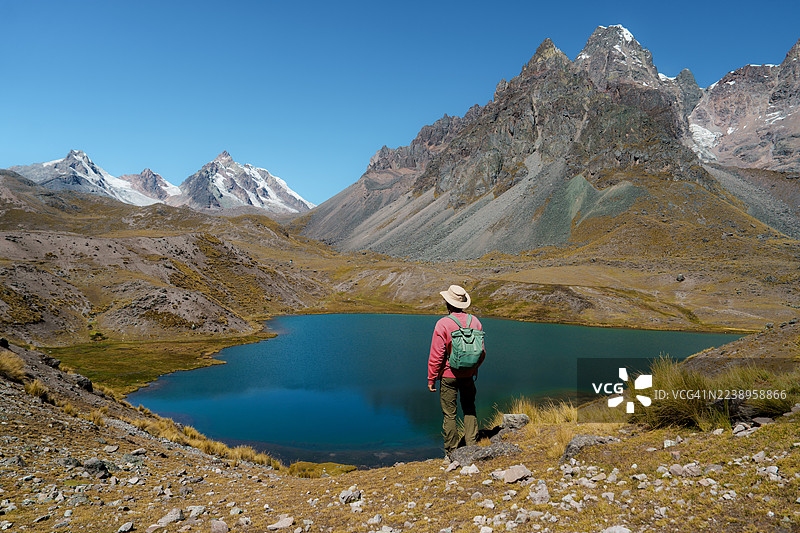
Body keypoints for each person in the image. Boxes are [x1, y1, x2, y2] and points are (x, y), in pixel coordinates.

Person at [427, 284, 485, 460]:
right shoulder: (475, 321)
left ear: (448, 303)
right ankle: (472, 446)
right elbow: (481, 352)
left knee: (450, 414)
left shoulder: (443, 323)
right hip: (468, 375)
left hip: (448, 376)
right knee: (469, 408)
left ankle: (451, 453)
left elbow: (437, 355)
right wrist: (473, 368)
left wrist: (431, 379)